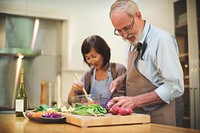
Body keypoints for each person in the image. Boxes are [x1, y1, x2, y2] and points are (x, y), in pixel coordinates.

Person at [108, 0, 184, 126]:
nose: (125, 35)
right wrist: (122, 78)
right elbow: (144, 70)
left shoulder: (162, 41)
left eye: (127, 28)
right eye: (119, 31)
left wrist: (135, 101)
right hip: (140, 113)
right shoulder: (130, 41)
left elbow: (175, 86)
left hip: (164, 110)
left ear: (138, 16)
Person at [68, 35, 127, 107]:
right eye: (88, 58)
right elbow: (72, 102)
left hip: (114, 116)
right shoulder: (88, 75)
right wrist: (73, 90)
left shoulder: (119, 70)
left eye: (94, 56)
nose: (92, 61)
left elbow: (120, 100)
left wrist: (102, 109)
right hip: (93, 117)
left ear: (103, 52)